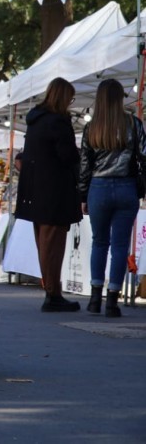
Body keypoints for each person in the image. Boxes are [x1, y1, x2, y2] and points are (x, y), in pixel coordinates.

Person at [15, 77, 83, 312]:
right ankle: (53, 293)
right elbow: (68, 157)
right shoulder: (57, 122)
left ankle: (51, 290)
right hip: (55, 192)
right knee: (53, 246)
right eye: (70, 98)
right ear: (63, 97)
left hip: (36, 192)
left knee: (43, 244)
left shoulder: (35, 121)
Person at [78, 78, 143, 317]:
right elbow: (144, 156)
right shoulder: (133, 124)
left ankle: (95, 299)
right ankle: (113, 301)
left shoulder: (91, 128)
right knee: (119, 246)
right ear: (119, 98)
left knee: (99, 242)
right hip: (127, 188)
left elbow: (84, 165)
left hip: (98, 188)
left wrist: (83, 194)